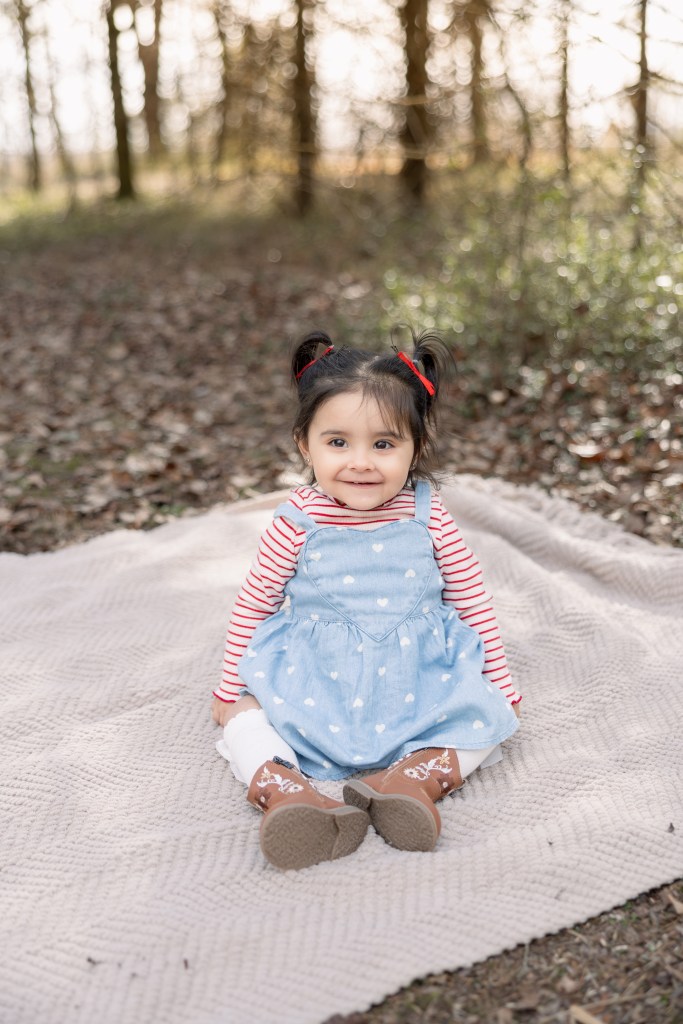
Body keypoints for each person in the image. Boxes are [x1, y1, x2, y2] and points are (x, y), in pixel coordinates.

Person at [212, 329, 521, 871]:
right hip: (316, 678)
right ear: (304, 444)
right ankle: (286, 794)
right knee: (243, 718)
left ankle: (410, 782)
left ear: (416, 447)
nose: (361, 462)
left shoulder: (428, 514)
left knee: (491, 718)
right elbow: (257, 599)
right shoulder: (297, 519)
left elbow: (470, 594)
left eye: (384, 444)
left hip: (416, 677)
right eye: (338, 443)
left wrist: (499, 679)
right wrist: (230, 685)